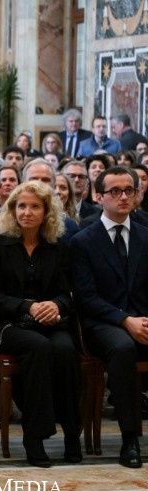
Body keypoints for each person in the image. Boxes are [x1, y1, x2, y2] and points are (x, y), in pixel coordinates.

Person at [0, 181, 81, 467]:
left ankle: (72, 434)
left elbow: (67, 292)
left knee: (65, 349)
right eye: (21, 206)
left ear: (46, 212)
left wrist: (57, 305)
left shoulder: (57, 245)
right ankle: (34, 437)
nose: (27, 212)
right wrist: (29, 306)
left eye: (35, 206)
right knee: (38, 347)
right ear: (12, 210)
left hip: (50, 321)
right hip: (10, 324)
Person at [70, 166, 148, 468]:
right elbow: (86, 298)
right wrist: (124, 320)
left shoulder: (144, 235)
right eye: (115, 191)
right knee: (123, 347)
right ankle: (130, 439)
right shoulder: (83, 240)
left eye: (129, 190)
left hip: (142, 319)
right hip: (101, 323)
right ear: (98, 195)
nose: (124, 197)